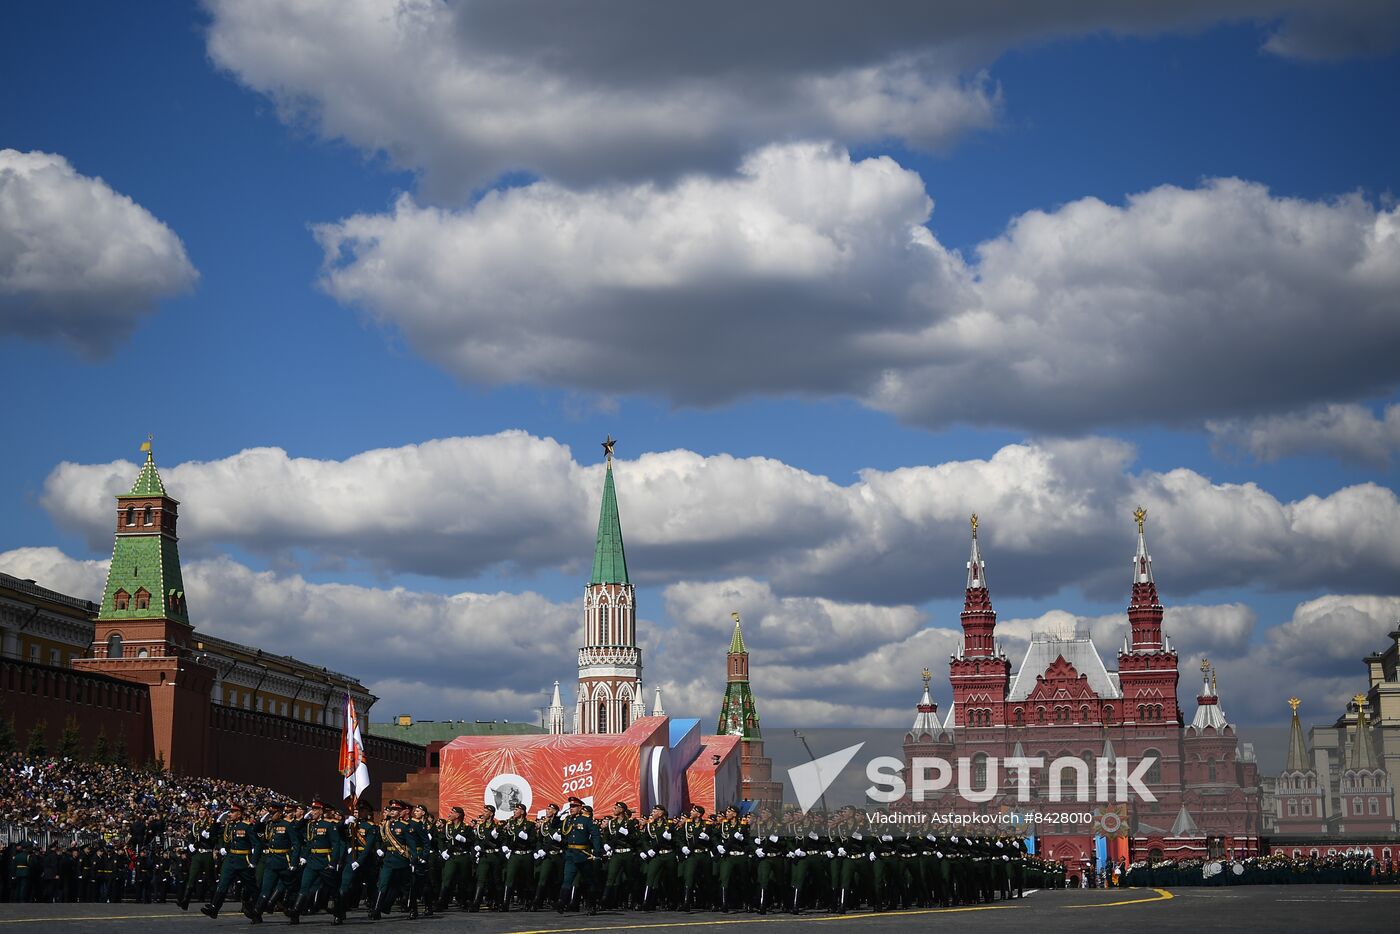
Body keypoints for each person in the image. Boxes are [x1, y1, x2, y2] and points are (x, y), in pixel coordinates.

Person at [201, 803, 261, 920]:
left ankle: (257, 910)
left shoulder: (247, 826)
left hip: (244, 860)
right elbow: (212, 833)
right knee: (223, 883)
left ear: (239, 814)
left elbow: (257, 844)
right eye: (230, 812)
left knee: (251, 887)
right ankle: (214, 908)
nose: (230, 814)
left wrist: (253, 861)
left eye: (233, 812)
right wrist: (218, 821)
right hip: (231, 859)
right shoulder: (230, 825)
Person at [290, 798, 342, 924]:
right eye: (312, 809)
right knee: (304, 887)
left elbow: (336, 845)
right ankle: (295, 913)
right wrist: (304, 856)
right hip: (312, 861)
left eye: (315, 809)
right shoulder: (310, 825)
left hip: (325, 861)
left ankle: (339, 914)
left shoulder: (329, 825)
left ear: (321, 811)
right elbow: (309, 843)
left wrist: (333, 863)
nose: (312, 811)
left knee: (333, 889)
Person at [370, 800, 417, 920]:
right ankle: (376, 910)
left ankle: (412, 909)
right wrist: (381, 849)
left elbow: (411, 844)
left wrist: (414, 858)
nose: (392, 811)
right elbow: (386, 841)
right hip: (389, 860)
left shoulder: (405, 826)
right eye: (391, 809)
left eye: (395, 810)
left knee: (404, 886)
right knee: (383, 884)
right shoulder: (385, 825)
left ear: (400, 812)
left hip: (401, 859)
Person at [556, 797, 601, 914]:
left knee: (589, 881)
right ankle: (562, 902)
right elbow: (554, 825)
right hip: (570, 854)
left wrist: (597, 852)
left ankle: (591, 905)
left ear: (580, 808)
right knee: (567, 880)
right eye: (570, 807)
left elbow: (595, 835)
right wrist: (558, 814)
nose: (571, 809)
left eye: (574, 806)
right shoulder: (567, 820)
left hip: (583, 855)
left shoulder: (586, 820)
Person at [178, 805, 220, 911]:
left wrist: (209, 837)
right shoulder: (195, 825)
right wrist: (190, 845)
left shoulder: (211, 823)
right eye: (199, 811)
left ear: (207, 812)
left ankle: (213, 903)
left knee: (210, 879)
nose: (201, 812)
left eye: (203, 810)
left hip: (207, 852)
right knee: (192, 876)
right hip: (197, 853)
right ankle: (185, 901)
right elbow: (191, 838)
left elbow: (215, 838)